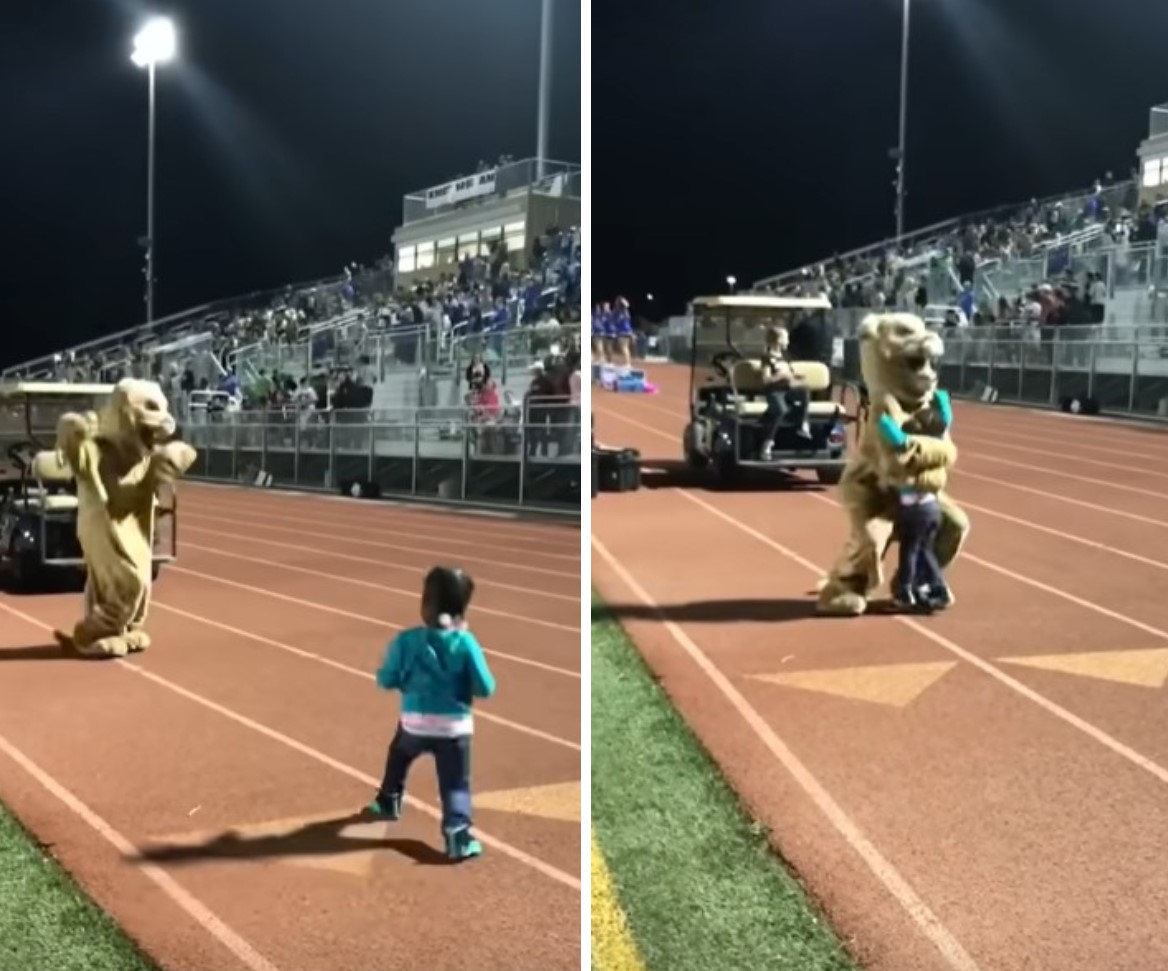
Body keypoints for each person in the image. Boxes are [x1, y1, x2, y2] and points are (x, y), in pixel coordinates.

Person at [366, 567, 497, 860]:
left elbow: (386, 680)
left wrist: (399, 679)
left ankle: (389, 799)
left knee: (398, 755)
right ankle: (458, 835)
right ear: (462, 610)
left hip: (414, 724)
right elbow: (486, 688)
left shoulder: (406, 641)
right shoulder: (466, 643)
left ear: (425, 605)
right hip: (454, 729)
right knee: (455, 784)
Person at [876, 390, 954, 612]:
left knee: (908, 552)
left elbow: (890, 431)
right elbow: (946, 419)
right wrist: (939, 396)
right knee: (925, 550)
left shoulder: (913, 447)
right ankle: (939, 588)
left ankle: (904, 592)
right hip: (932, 508)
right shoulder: (938, 444)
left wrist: (876, 411)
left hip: (914, 510)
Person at [758, 326, 811, 460]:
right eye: (786, 338)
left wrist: (795, 377)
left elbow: (789, 375)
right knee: (781, 411)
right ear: (778, 341)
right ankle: (767, 444)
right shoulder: (767, 358)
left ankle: (802, 424)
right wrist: (781, 376)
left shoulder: (785, 357)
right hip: (774, 392)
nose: (788, 341)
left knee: (804, 391)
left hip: (787, 391)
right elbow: (766, 380)